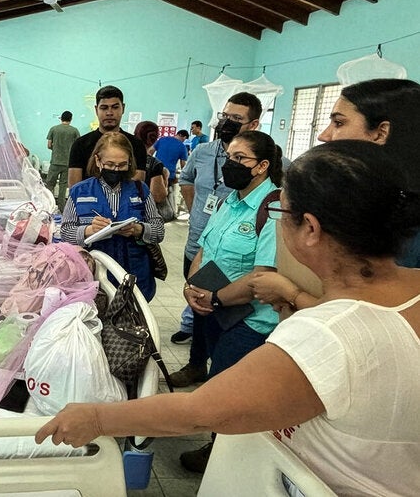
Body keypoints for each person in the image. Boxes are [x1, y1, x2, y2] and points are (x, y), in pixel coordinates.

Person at [35, 141, 420, 496]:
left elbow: (198, 411)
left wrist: (96, 419)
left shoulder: (325, 334)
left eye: (281, 213)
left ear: (310, 229)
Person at [249, 78, 420, 315]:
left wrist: (291, 293)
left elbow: (376, 313)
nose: (324, 135)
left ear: (381, 133)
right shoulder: (352, 200)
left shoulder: (401, 219)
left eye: (339, 123)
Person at [169, 92, 262, 378]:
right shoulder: (203, 151)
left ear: (253, 125)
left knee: (231, 315)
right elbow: (187, 179)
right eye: (225, 116)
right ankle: (196, 364)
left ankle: (224, 372)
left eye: (236, 118)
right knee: (201, 308)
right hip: (200, 244)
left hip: (238, 254)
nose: (227, 122)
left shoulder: (263, 156)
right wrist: (197, 210)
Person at [61, 132, 164, 301]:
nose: (116, 170)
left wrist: (138, 229)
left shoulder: (140, 190)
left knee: (135, 313)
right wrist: (89, 230)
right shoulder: (79, 191)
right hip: (93, 274)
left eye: (122, 165)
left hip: (135, 272)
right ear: (98, 161)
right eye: (110, 164)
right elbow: (66, 233)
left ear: (130, 162)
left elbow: (159, 231)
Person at [67, 85, 147, 187]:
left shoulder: (137, 145)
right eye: (104, 108)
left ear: (123, 108)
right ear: (96, 110)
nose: (109, 113)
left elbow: (137, 187)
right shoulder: (80, 145)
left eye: (115, 107)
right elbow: (74, 187)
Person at [46, 111, 81, 211]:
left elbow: (49, 145)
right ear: (71, 119)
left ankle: (49, 206)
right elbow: (78, 146)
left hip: (55, 161)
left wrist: (56, 149)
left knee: (50, 185)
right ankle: (62, 209)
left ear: (61, 118)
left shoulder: (54, 129)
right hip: (67, 163)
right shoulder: (74, 131)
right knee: (63, 186)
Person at [133, 121, 168, 208]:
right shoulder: (154, 164)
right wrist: (165, 179)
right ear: (154, 139)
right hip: (143, 210)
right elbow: (158, 197)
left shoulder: (120, 157)